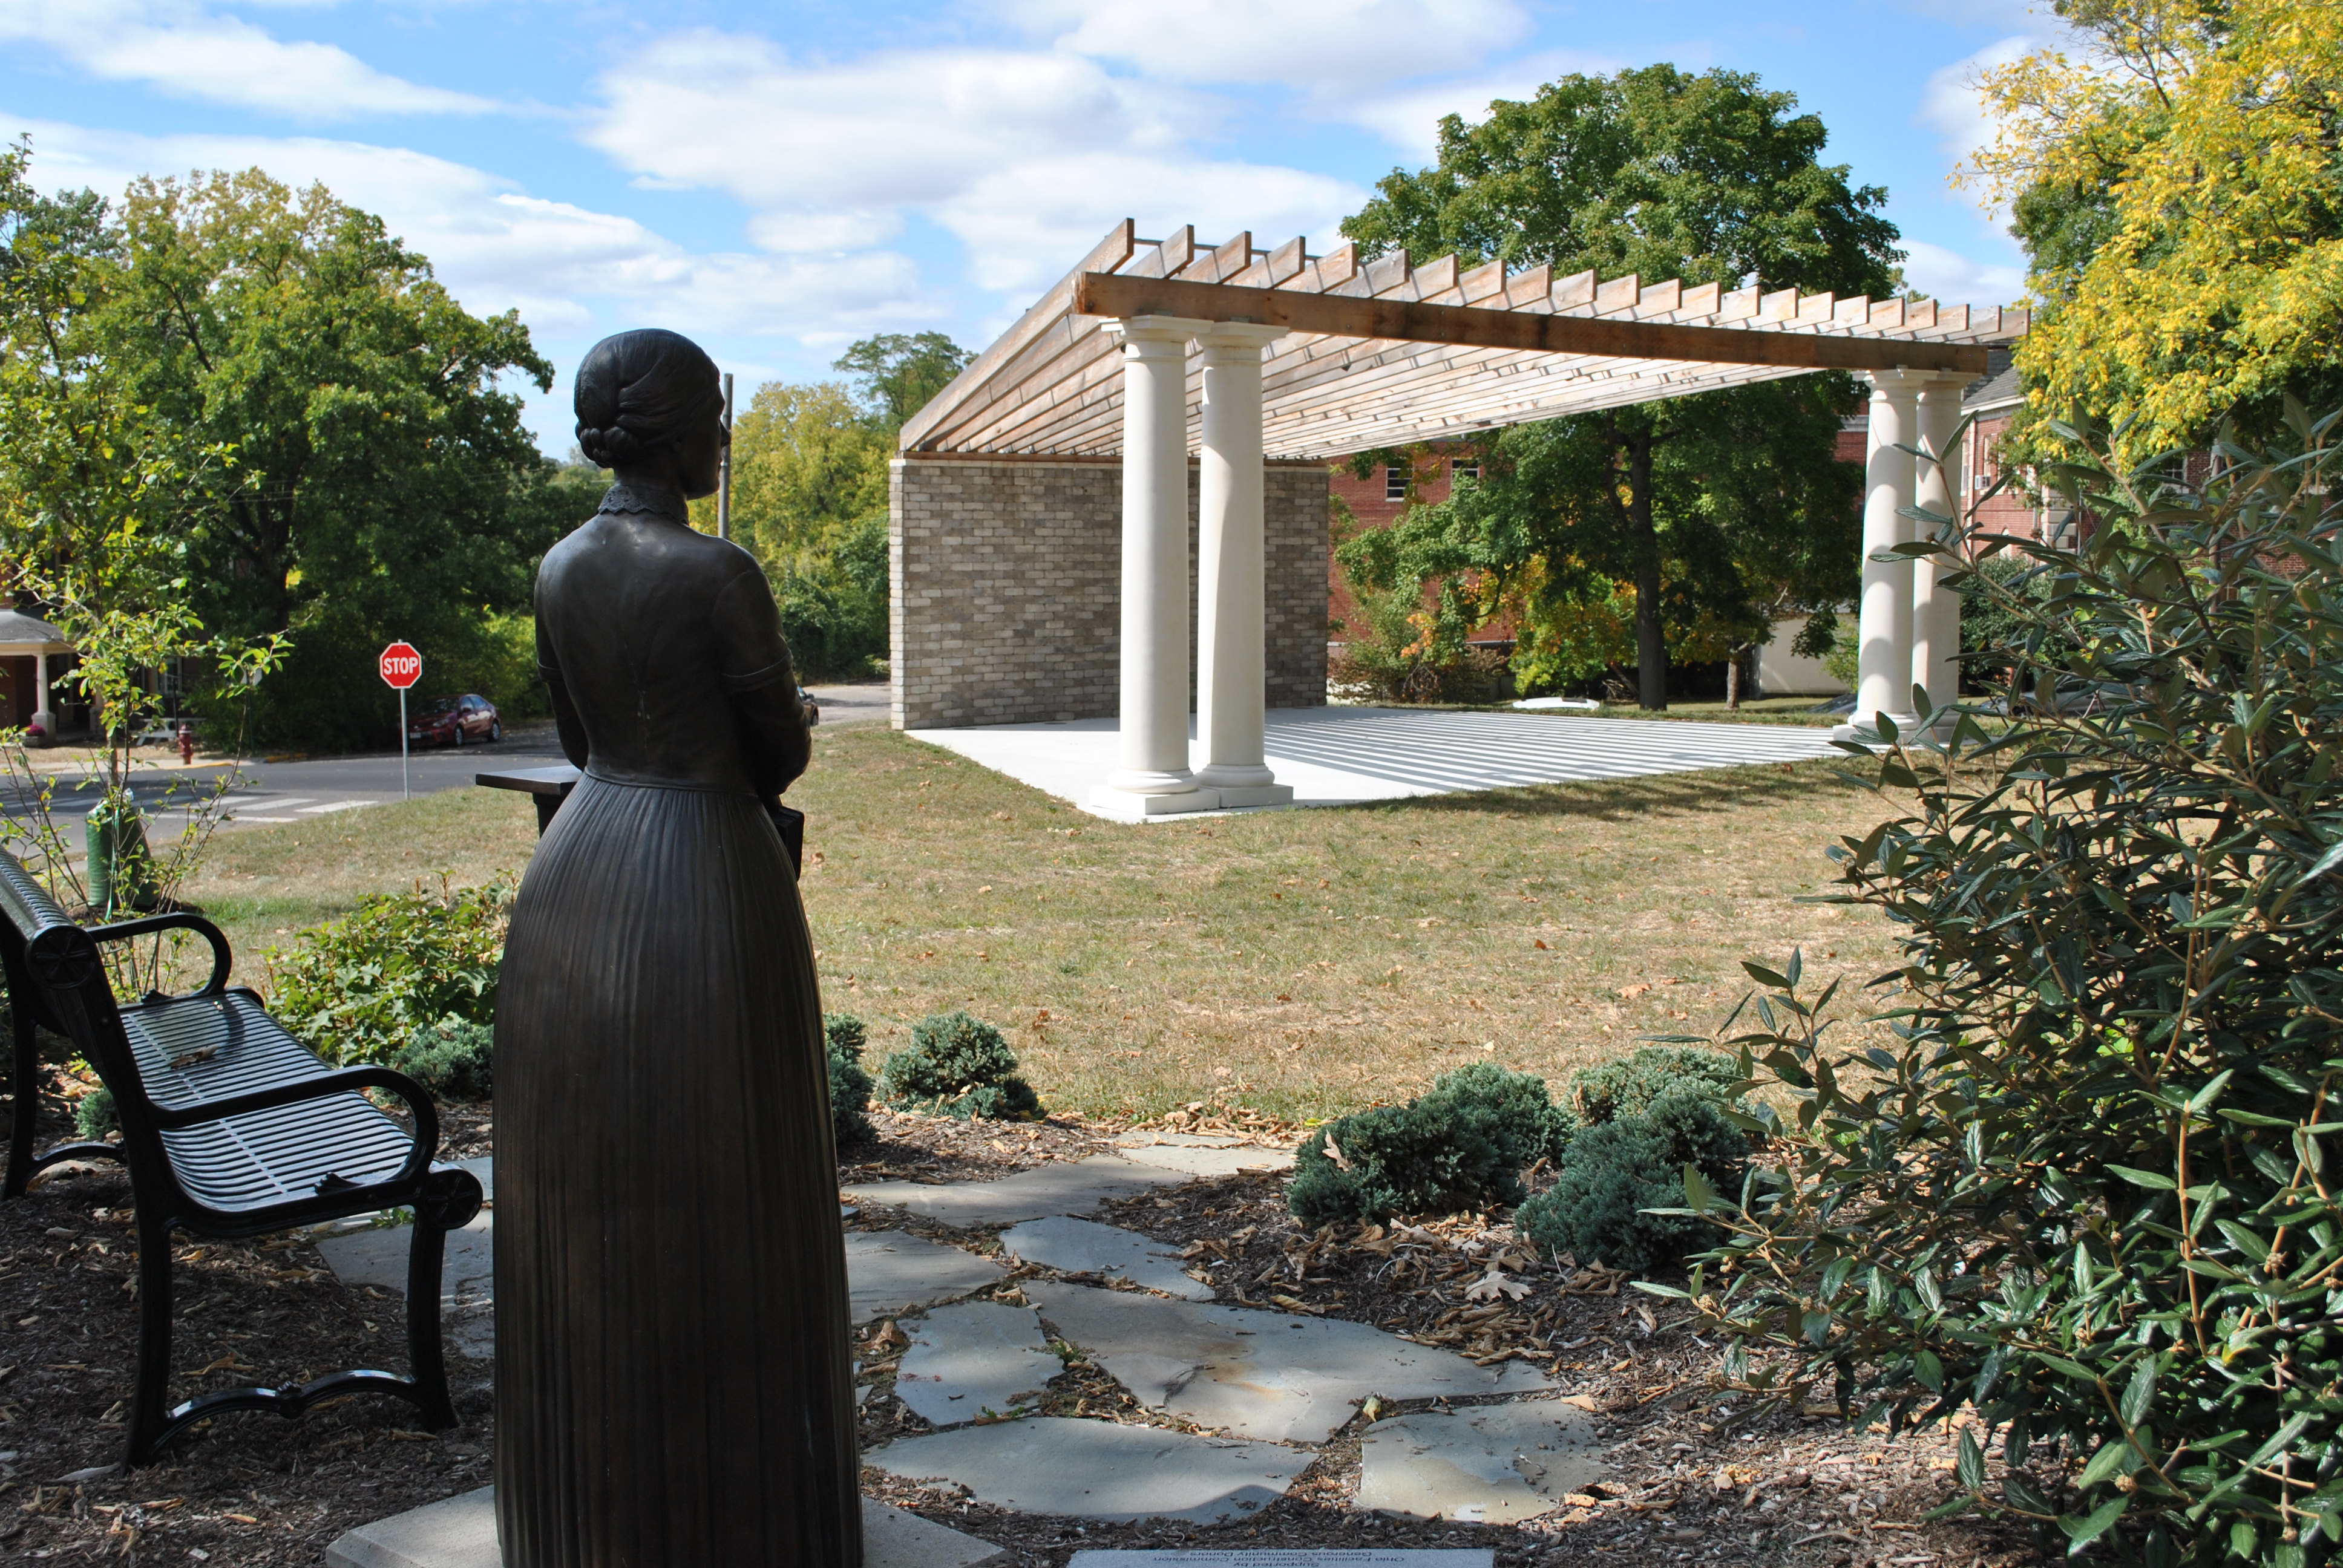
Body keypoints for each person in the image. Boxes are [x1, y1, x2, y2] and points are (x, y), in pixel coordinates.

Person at [494, 328, 857, 1567]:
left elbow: (577, 727)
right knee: (728, 1179)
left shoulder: (558, 566)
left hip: (579, 876)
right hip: (701, 879)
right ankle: (742, 1517)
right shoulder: (715, 572)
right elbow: (778, 752)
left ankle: (583, 1512)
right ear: (674, 430)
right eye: (714, 414)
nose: (721, 437)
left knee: (595, 1193)